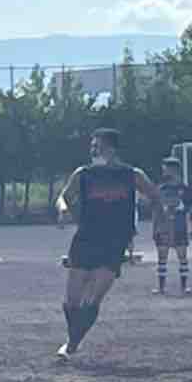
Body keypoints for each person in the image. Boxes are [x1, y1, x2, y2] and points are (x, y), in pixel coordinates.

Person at [55, 128, 162, 359]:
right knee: (72, 301)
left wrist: (152, 217)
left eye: (98, 146)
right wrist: (63, 210)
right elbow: (63, 197)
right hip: (85, 239)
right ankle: (73, 338)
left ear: (111, 149)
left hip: (114, 241)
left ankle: (72, 344)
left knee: (93, 298)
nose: (93, 150)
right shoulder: (83, 174)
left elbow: (154, 196)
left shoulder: (132, 175)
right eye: (92, 146)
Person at [150, 157, 192, 296]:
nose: (164, 171)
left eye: (166, 168)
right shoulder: (160, 188)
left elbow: (189, 206)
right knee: (162, 257)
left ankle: (184, 287)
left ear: (174, 169)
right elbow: (154, 206)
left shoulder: (184, 188)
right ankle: (161, 288)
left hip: (179, 226)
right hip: (163, 227)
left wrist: (180, 207)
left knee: (182, 257)